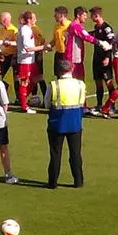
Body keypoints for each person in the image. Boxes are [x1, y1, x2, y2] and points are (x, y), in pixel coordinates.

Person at [44, 59, 86, 189]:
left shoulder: (54, 85)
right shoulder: (80, 84)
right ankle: (78, 181)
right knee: (75, 154)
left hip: (57, 124)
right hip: (75, 123)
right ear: (71, 69)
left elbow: (46, 104)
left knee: (55, 154)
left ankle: (52, 183)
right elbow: (82, 101)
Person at [64, 6, 111, 82]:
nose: (86, 18)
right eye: (84, 15)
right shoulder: (76, 26)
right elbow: (87, 37)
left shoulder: (72, 25)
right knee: (78, 81)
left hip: (72, 58)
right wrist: (101, 43)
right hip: (74, 59)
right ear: (78, 15)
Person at [17, 11, 50, 114]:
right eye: (34, 18)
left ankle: (23, 97)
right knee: (25, 82)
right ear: (29, 20)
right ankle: (23, 105)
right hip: (25, 61)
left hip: (30, 60)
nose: (35, 20)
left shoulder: (27, 29)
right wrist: (43, 47)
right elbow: (28, 48)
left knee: (37, 78)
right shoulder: (25, 30)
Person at [88, 7, 116, 115]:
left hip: (105, 59)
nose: (91, 18)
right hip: (96, 59)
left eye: (92, 15)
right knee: (98, 83)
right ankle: (99, 105)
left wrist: (108, 57)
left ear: (96, 16)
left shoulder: (107, 28)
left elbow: (111, 43)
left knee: (108, 83)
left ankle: (112, 105)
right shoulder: (96, 27)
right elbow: (94, 34)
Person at [0, 12, 20, 103]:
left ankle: (18, 98)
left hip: (13, 56)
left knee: (15, 78)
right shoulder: (1, 30)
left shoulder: (14, 30)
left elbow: (18, 43)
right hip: (4, 57)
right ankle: (3, 97)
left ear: (6, 20)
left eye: (1, 19)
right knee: (3, 77)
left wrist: (10, 43)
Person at [47, 6, 71, 73]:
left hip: (67, 54)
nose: (54, 16)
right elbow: (54, 40)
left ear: (62, 15)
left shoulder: (70, 25)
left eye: (56, 14)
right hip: (58, 54)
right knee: (58, 74)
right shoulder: (56, 26)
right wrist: (49, 45)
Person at [30, 15, 47, 97]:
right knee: (33, 77)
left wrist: (40, 51)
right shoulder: (29, 28)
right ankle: (34, 97)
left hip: (37, 54)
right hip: (33, 53)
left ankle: (45, 96)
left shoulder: (35, 29)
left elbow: (42, 40)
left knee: (39, 77)